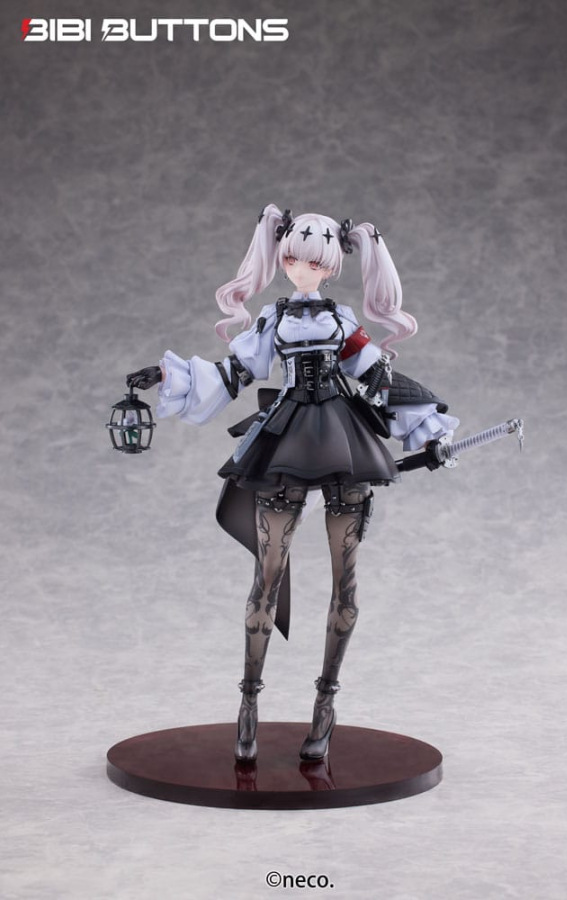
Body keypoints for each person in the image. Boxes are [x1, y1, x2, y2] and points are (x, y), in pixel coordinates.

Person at [127, 204, 459, 763]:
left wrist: (429, 432)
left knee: (344, 582)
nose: (302, 269)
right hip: (285, 440)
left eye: (315, 261)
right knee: (266, 578)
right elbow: (231, 373)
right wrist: (165, 375)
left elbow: (378, 378)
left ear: (332, 266)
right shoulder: (273, 321)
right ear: (281, 257)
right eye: (293, 259)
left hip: (344, 441)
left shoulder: (341, 324)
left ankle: (325, 703)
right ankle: (248, 701)